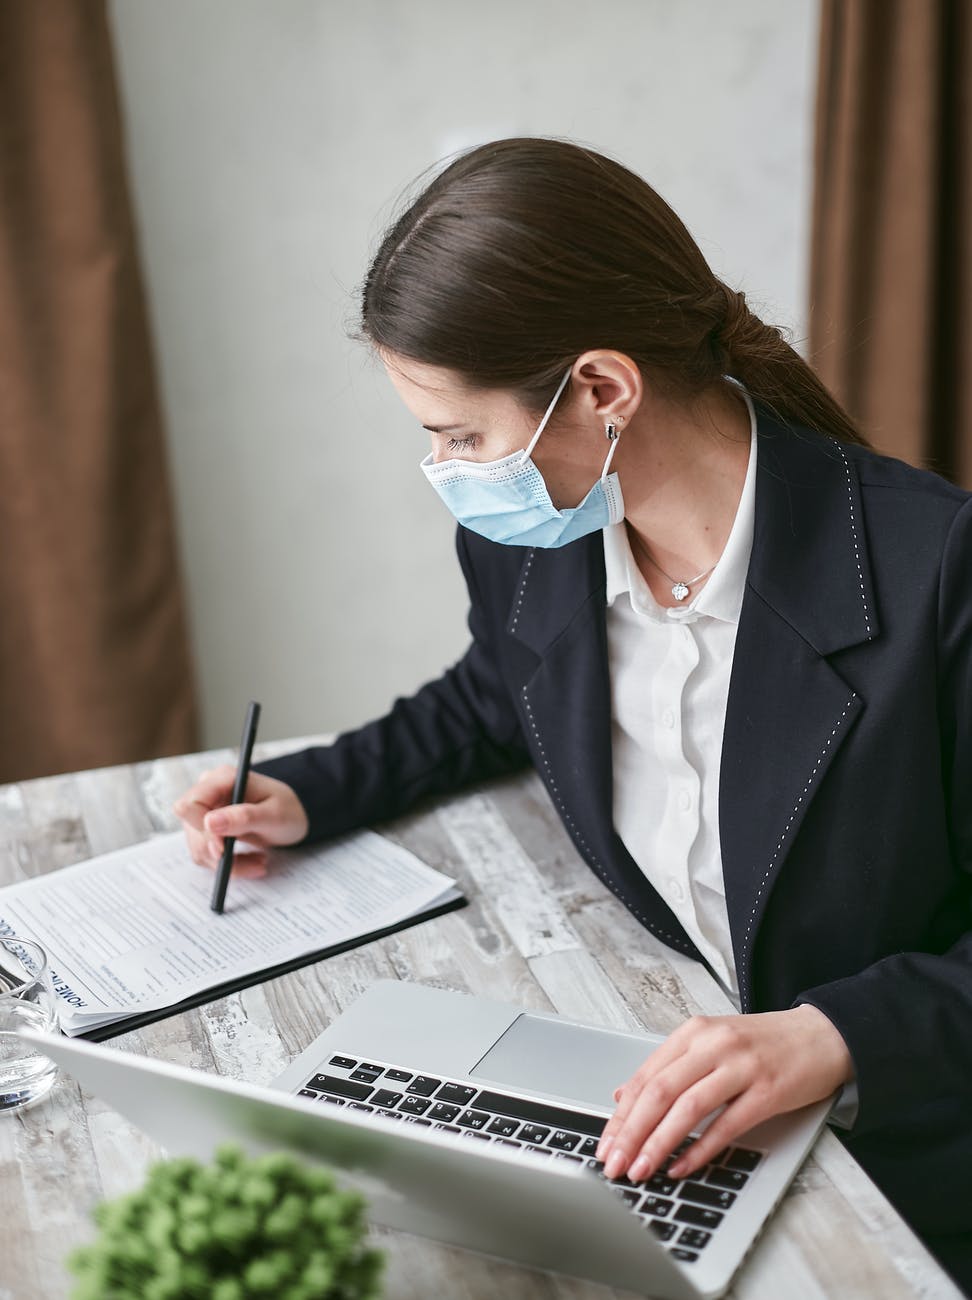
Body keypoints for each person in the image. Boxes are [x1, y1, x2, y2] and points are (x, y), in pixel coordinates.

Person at [173, 138, 972, 1292]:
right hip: (674, 1107)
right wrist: (317, 788)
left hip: (901, 1167)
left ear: (602, 389)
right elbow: (497, 694)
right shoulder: (533, 542)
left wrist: (836, 1032)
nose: (446, 470)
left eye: (460, 435)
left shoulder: (936, 567)